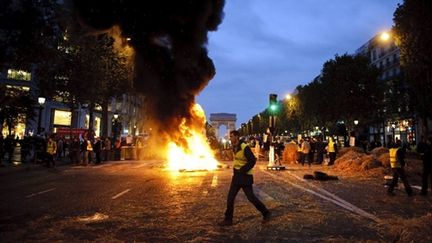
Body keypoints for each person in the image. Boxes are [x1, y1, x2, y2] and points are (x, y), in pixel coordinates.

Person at [219, 130, 271, 226]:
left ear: (237, 137)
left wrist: (242, 170)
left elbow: (252, 160)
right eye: (230, 137)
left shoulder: (244, 147)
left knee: (251, 198)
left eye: (231, 136)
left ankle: (266, 212)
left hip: (245, 176)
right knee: (230, 198)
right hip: (236, 176)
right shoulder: (234, 147)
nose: (230, 138)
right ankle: (228, 219)